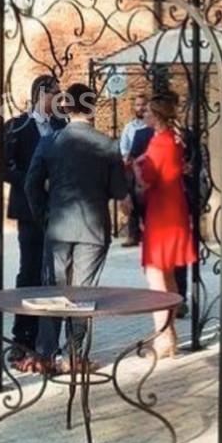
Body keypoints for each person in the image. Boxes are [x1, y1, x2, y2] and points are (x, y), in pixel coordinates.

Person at [26, 83, 129, 368]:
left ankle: (46, 354)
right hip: (93, 228)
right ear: (93, 108)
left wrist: (43, 216)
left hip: (58, 225)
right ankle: (74, 354)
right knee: (82, 294)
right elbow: (119, 190)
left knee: (53, 289)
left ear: (66, 108)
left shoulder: (50, 142)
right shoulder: (107, 145)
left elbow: (30, 184)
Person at [2, 76, 64, 364]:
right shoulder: (16, 126)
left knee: (51, 274)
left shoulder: (61, 126)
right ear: (41, 94)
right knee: (28, 273)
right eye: (56, 93)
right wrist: (34, 181)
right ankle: (21, 337)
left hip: (56, 211)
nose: (60, 99)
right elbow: (3, 169)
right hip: (28, 210)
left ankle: (47, 340)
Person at [133, 92, 195, 358]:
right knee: (168, 275)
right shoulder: (175, 140)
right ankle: (170, 336)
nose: (143, 114)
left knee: (156, 276)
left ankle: (164, 337)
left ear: (156, 116)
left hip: (161, 214)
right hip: (174, 209)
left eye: (147, 111)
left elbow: (146, 180)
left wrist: (136, 167)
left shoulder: (158, 143)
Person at [120, 94, 150, 247]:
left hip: (148, 167)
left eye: (143, 104)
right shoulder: (129, 127)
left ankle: (148, 233)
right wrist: (127, 158)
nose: (141, 108)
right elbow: (123, 148)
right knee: (132, 199)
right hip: (132, 168)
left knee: (147, 201)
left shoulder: (151, 127)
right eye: (138, 105)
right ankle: (133, 234)